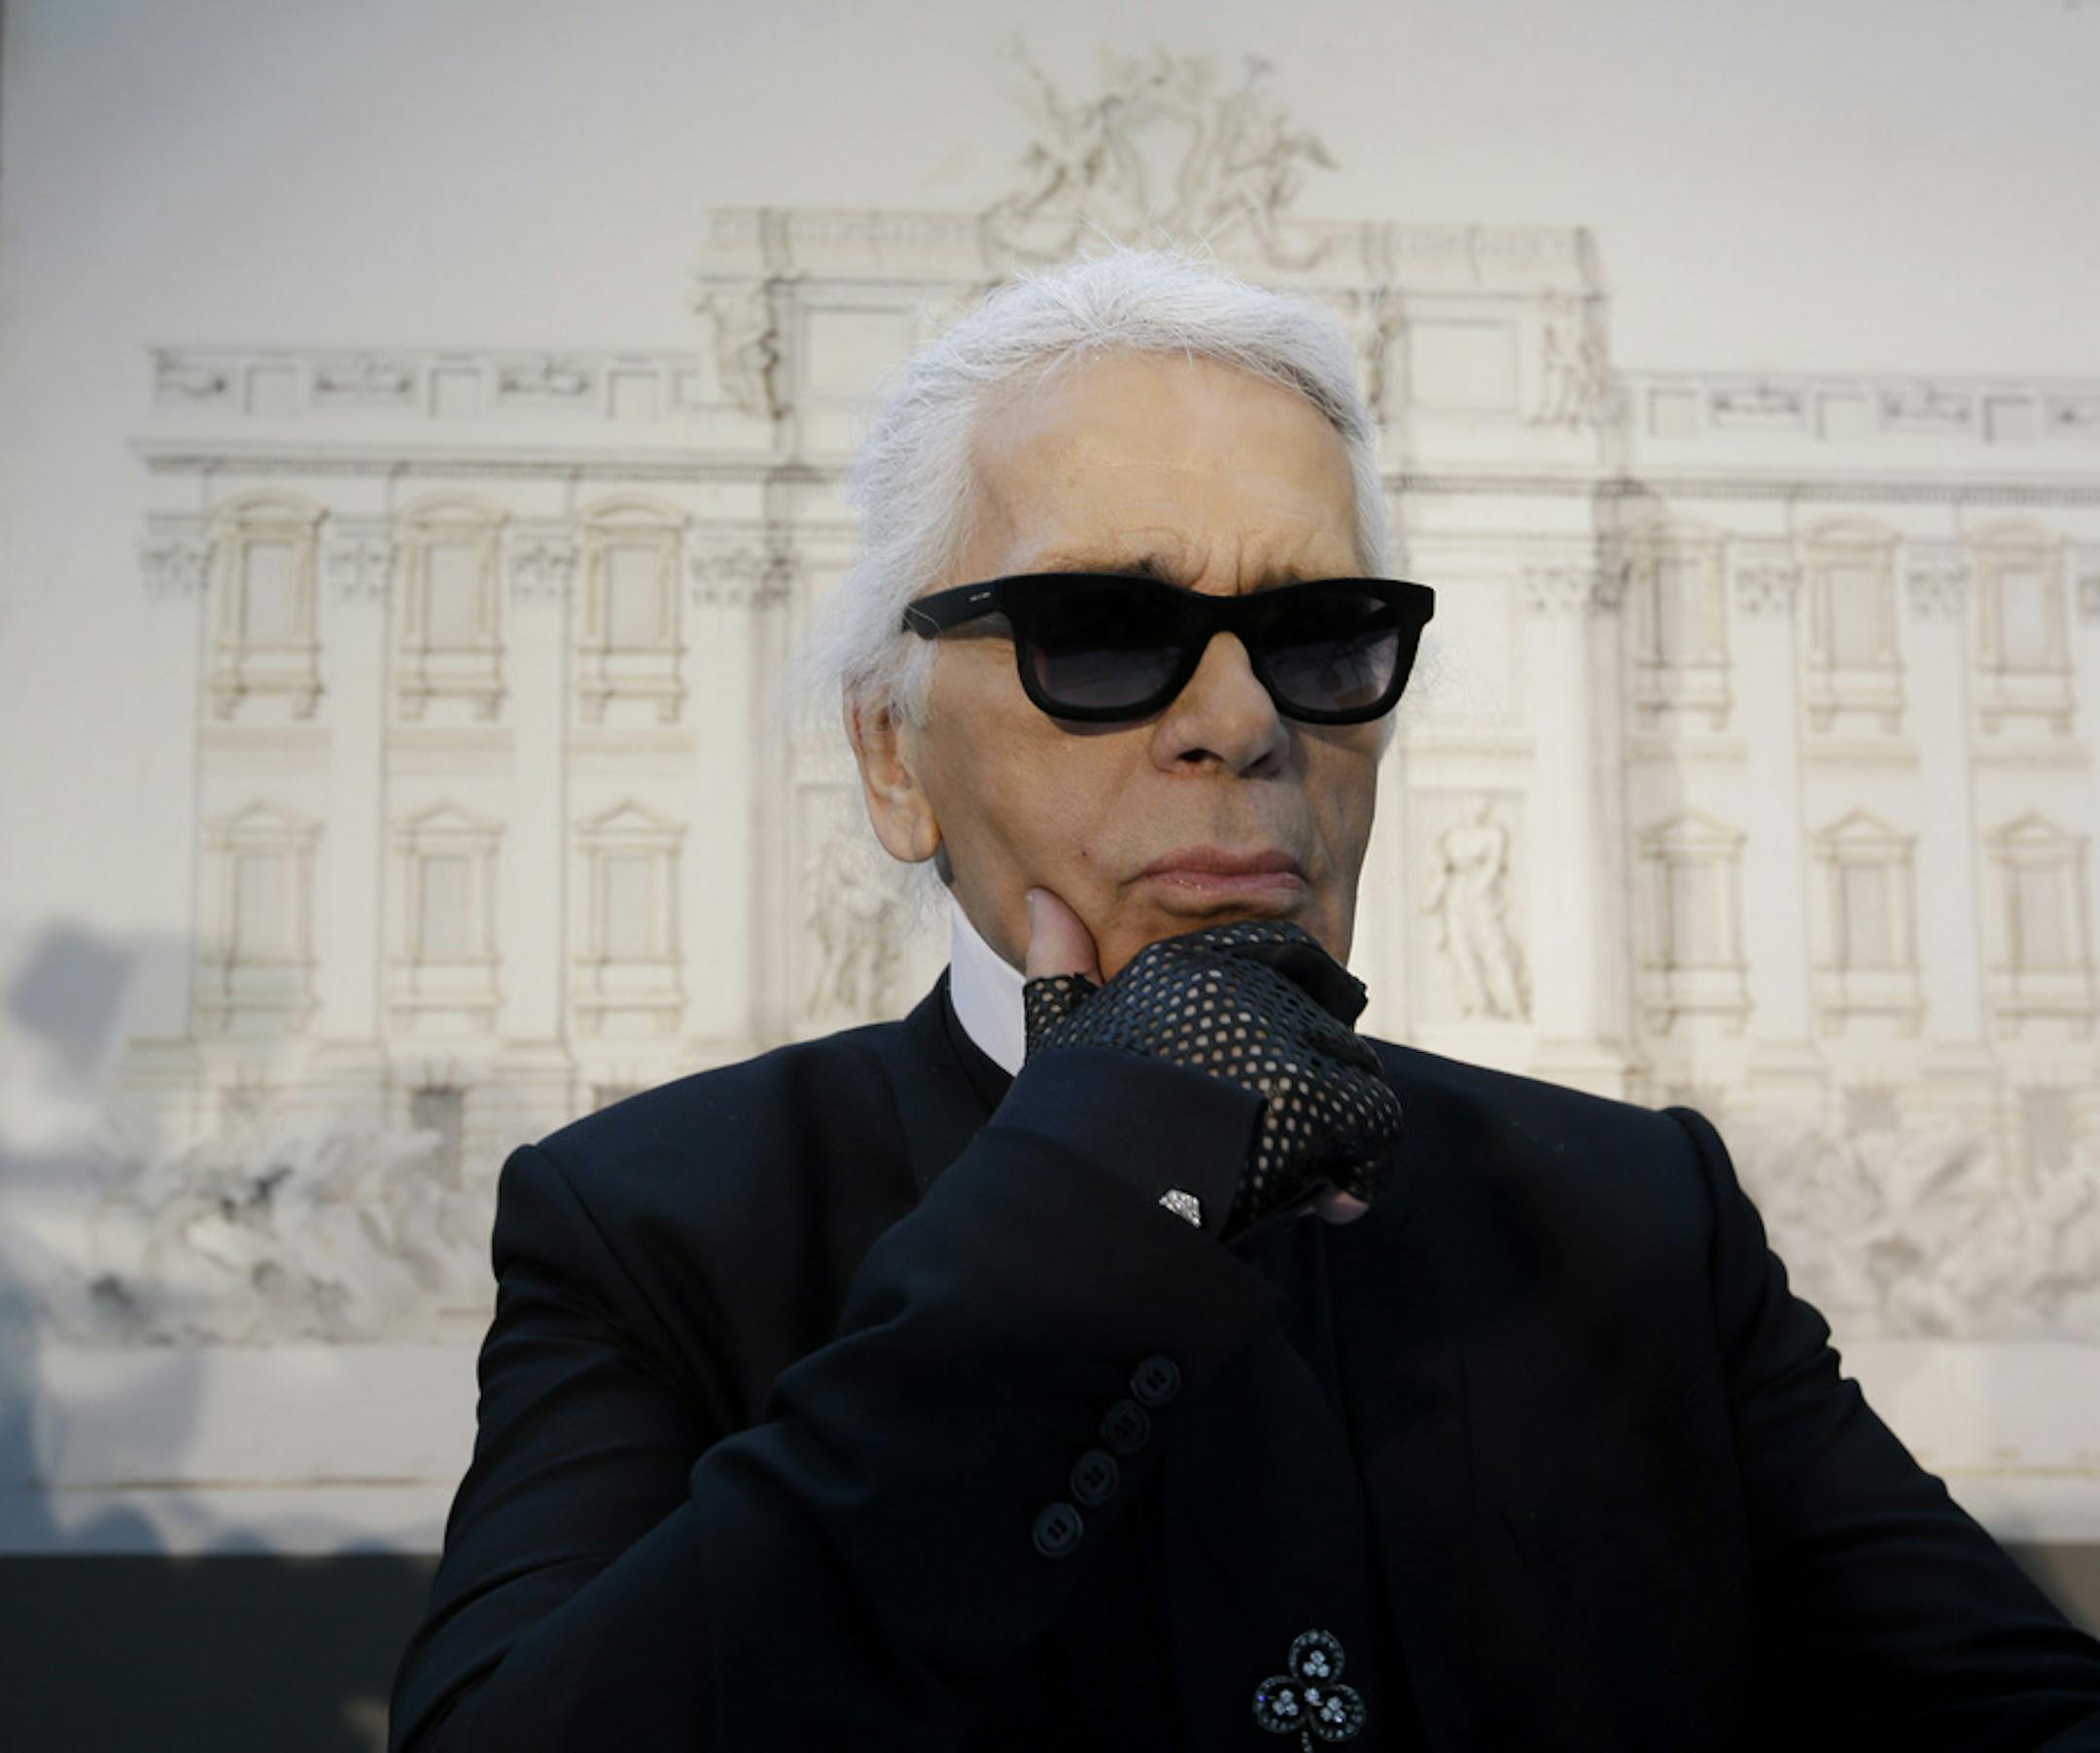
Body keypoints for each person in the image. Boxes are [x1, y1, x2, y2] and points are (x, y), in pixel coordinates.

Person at [386, 248, 2100, 1751]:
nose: (1239, 719)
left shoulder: (1636, 1213)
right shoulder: (653, 1225)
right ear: (891, 755)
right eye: (1101, 629)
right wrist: (1086, 1201)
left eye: (1321, 631)